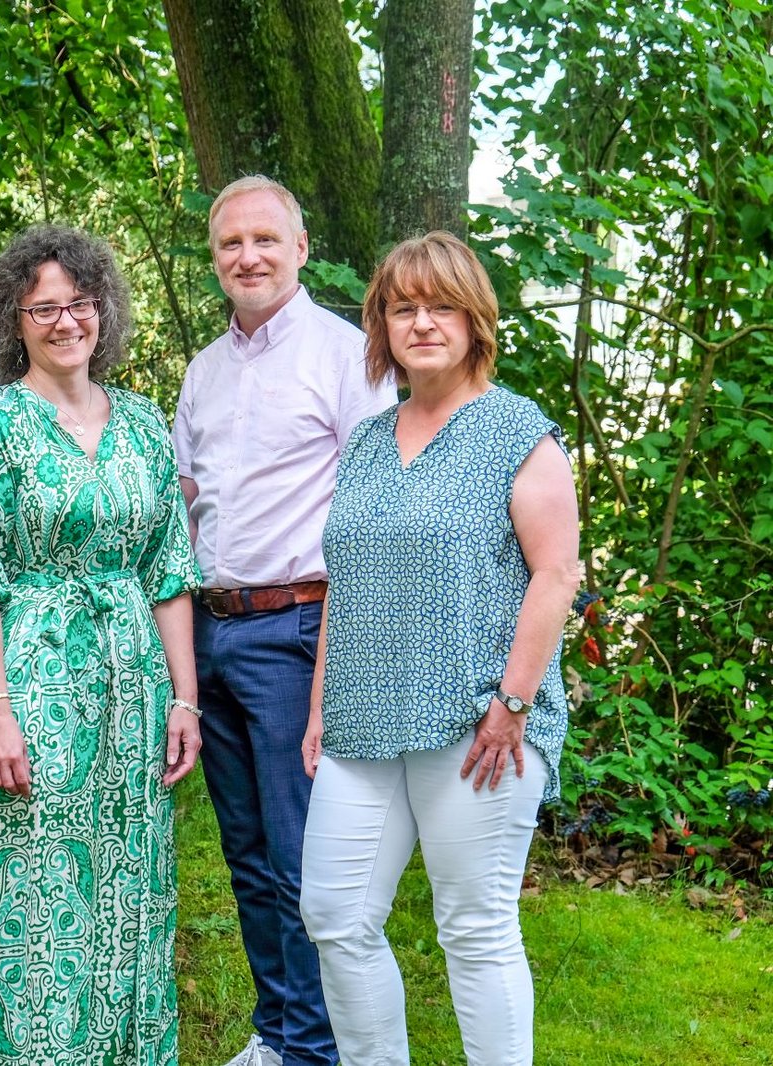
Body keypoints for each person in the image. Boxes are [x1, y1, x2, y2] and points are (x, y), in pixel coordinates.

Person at [298, 231, 580, 1065]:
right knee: (336, 915)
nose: (421, 322)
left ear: (474, 320)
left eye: (440, 307)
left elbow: (556, 575)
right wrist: (320, 708)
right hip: (360, 723)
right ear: (380, 326)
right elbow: (344, 582)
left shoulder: (515, 430)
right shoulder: (366, 442)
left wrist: (512, 705)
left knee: (475, 927)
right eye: (401, 307)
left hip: (478, 722)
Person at [0, 224, 202, 1066]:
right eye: (43, 308)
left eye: (79, 304)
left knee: (128, 877)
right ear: (13, 321)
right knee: (41, 880)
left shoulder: (140, 421)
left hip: (132, 685)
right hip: (37, 683)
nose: (65, 322)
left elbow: (169, 569)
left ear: (103, 311)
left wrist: (183, 698)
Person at [174, 176, 396, 1066]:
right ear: (216, 257)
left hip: (299, 629)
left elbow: (369, 516)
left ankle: (315, 1047)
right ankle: (282, 1033)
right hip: (212, 628)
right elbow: (187, 504)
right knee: (248, 854)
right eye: (231, 244)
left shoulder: (347, 357)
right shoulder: (203, 368)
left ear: (300, 249)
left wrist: (336, 668)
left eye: (266, 240)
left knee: (304, 862)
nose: (248, 257)